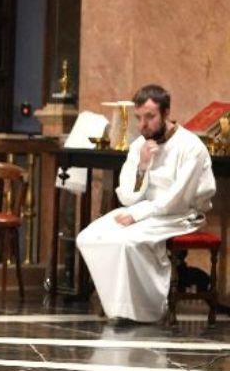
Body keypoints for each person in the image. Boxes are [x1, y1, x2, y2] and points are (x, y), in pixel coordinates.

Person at [76, 84, 216, 323]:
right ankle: (118, 306)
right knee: (88, 237)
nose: (143, 125)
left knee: (127, 242)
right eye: (139, 118)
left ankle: (147, 308)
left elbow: (178, 198)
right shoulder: (139, 146)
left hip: (179, 214)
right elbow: (128, 198)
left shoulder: (191, 147)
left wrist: (138, 216)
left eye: (150, 117)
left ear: (167, 113)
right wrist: (142, 166)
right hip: (143, 210)